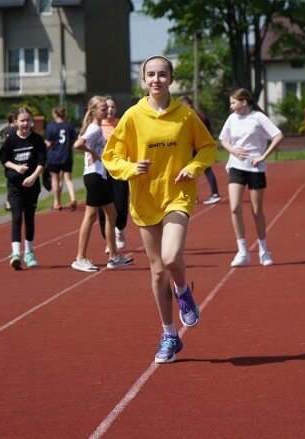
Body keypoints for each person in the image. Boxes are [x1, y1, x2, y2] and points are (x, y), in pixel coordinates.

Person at [102, 55, 216, 364]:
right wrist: (130, 167)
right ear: (143, 80)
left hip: (177, 195)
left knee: (170, 257)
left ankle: (183, 291)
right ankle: (169, 335)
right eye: (150, 74)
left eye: (162, 74)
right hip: (144, 198)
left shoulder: (185, 115)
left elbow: (207, 147)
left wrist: (193, 167)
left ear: (171, 78)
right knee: (155, 271)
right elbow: (111, 156)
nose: (156, 79)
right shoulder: (132, 116)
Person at [218, 88, 283, 267]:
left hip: (255, 168)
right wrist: (233, 150)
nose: (231, 107)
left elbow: (278, 135)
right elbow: (223, 139)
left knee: (256, 210)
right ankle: (242, 251)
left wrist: (263, 156)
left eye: (233, 103)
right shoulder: (232, 119)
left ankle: (264, 250)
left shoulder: (258, 118)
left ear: (244, 102)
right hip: (236, 167)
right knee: (234, 207)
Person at [70, 95, 134, 273]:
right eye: (103, 109)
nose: (107, 111)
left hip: (100, 176)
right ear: (93, 111)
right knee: (90, 217)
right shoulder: (94, 128)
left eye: (108, 108)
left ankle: (114, 256)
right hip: (94, 177)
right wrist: (92, 152)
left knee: (112, 214)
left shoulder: (95, 127)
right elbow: (78, 144)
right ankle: (80, 258)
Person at [0, 107, 46, 270]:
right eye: (22, 120)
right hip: (15, 186)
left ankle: (29, 252)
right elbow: (4, 159)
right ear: (16, 122)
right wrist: (17, 168)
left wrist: (33, 177)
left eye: (27, 120)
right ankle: (16, 253)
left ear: (31, 121)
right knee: (17, 217)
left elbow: (41, 162)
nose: (25, 123)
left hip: (31, 185)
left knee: (29, 219)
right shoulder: (11, 139)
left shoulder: (37, 140)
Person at [98, 95, 130, 251]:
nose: (109, 110)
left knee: (120, 203)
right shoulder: (97, 125)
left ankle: (120, 229)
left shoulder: (121, 124)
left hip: (119, 169)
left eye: (112, 107)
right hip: (101, 171)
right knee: (103, 206)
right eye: (107, 107)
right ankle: (109, 240)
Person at [180, 96, 221, 205]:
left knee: (194, 170)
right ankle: (211, 194)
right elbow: (209, 130)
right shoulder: (201, 114)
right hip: (202, 146)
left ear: (187, 104)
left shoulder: (189, 115)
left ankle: (210, 194)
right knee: (202, 170)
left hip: (194, 146)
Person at [44, 106, 78, 211]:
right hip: (66, 156)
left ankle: (57, 202)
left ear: (55, 114)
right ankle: (72, 198)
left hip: (54, 157)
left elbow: (48, 142)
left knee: (55, 179)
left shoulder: (51, 126)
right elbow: (74, 140)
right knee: (68, 179)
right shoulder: (69, 126)